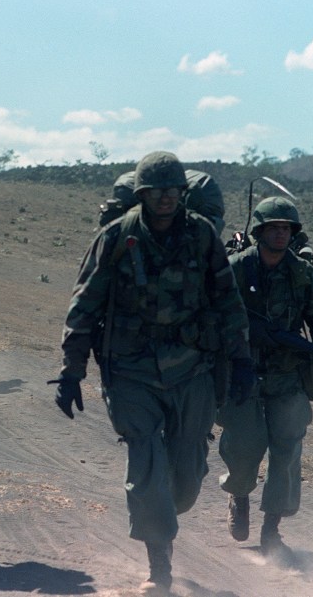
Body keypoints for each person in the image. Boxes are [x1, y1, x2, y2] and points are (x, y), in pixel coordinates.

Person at [53, 151, 254, 594]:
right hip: (131, 370)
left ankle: (164, 517)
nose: (165, 197)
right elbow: (84, 305)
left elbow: (228, 301)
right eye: (155, 190)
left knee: (186, 480)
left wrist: (241, 360)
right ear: (142, 194)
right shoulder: (116, 237)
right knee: (145, 462)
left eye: (172, 189)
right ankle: (158, 564)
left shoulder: (201, 235)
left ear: (182, 192)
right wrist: (71, 371)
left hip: (193, 369)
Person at [218, 196, 313, 560]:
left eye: (286, 229)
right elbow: (213, 316)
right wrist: (246, 335)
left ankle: (272, 529)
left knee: (287, 451)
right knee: (244, 447)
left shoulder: (302, 274)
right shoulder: (235, 269)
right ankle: (239, 496)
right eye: (274, 228)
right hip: (242, 373)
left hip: (288, 374)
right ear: (260, 232)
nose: (281, 234)